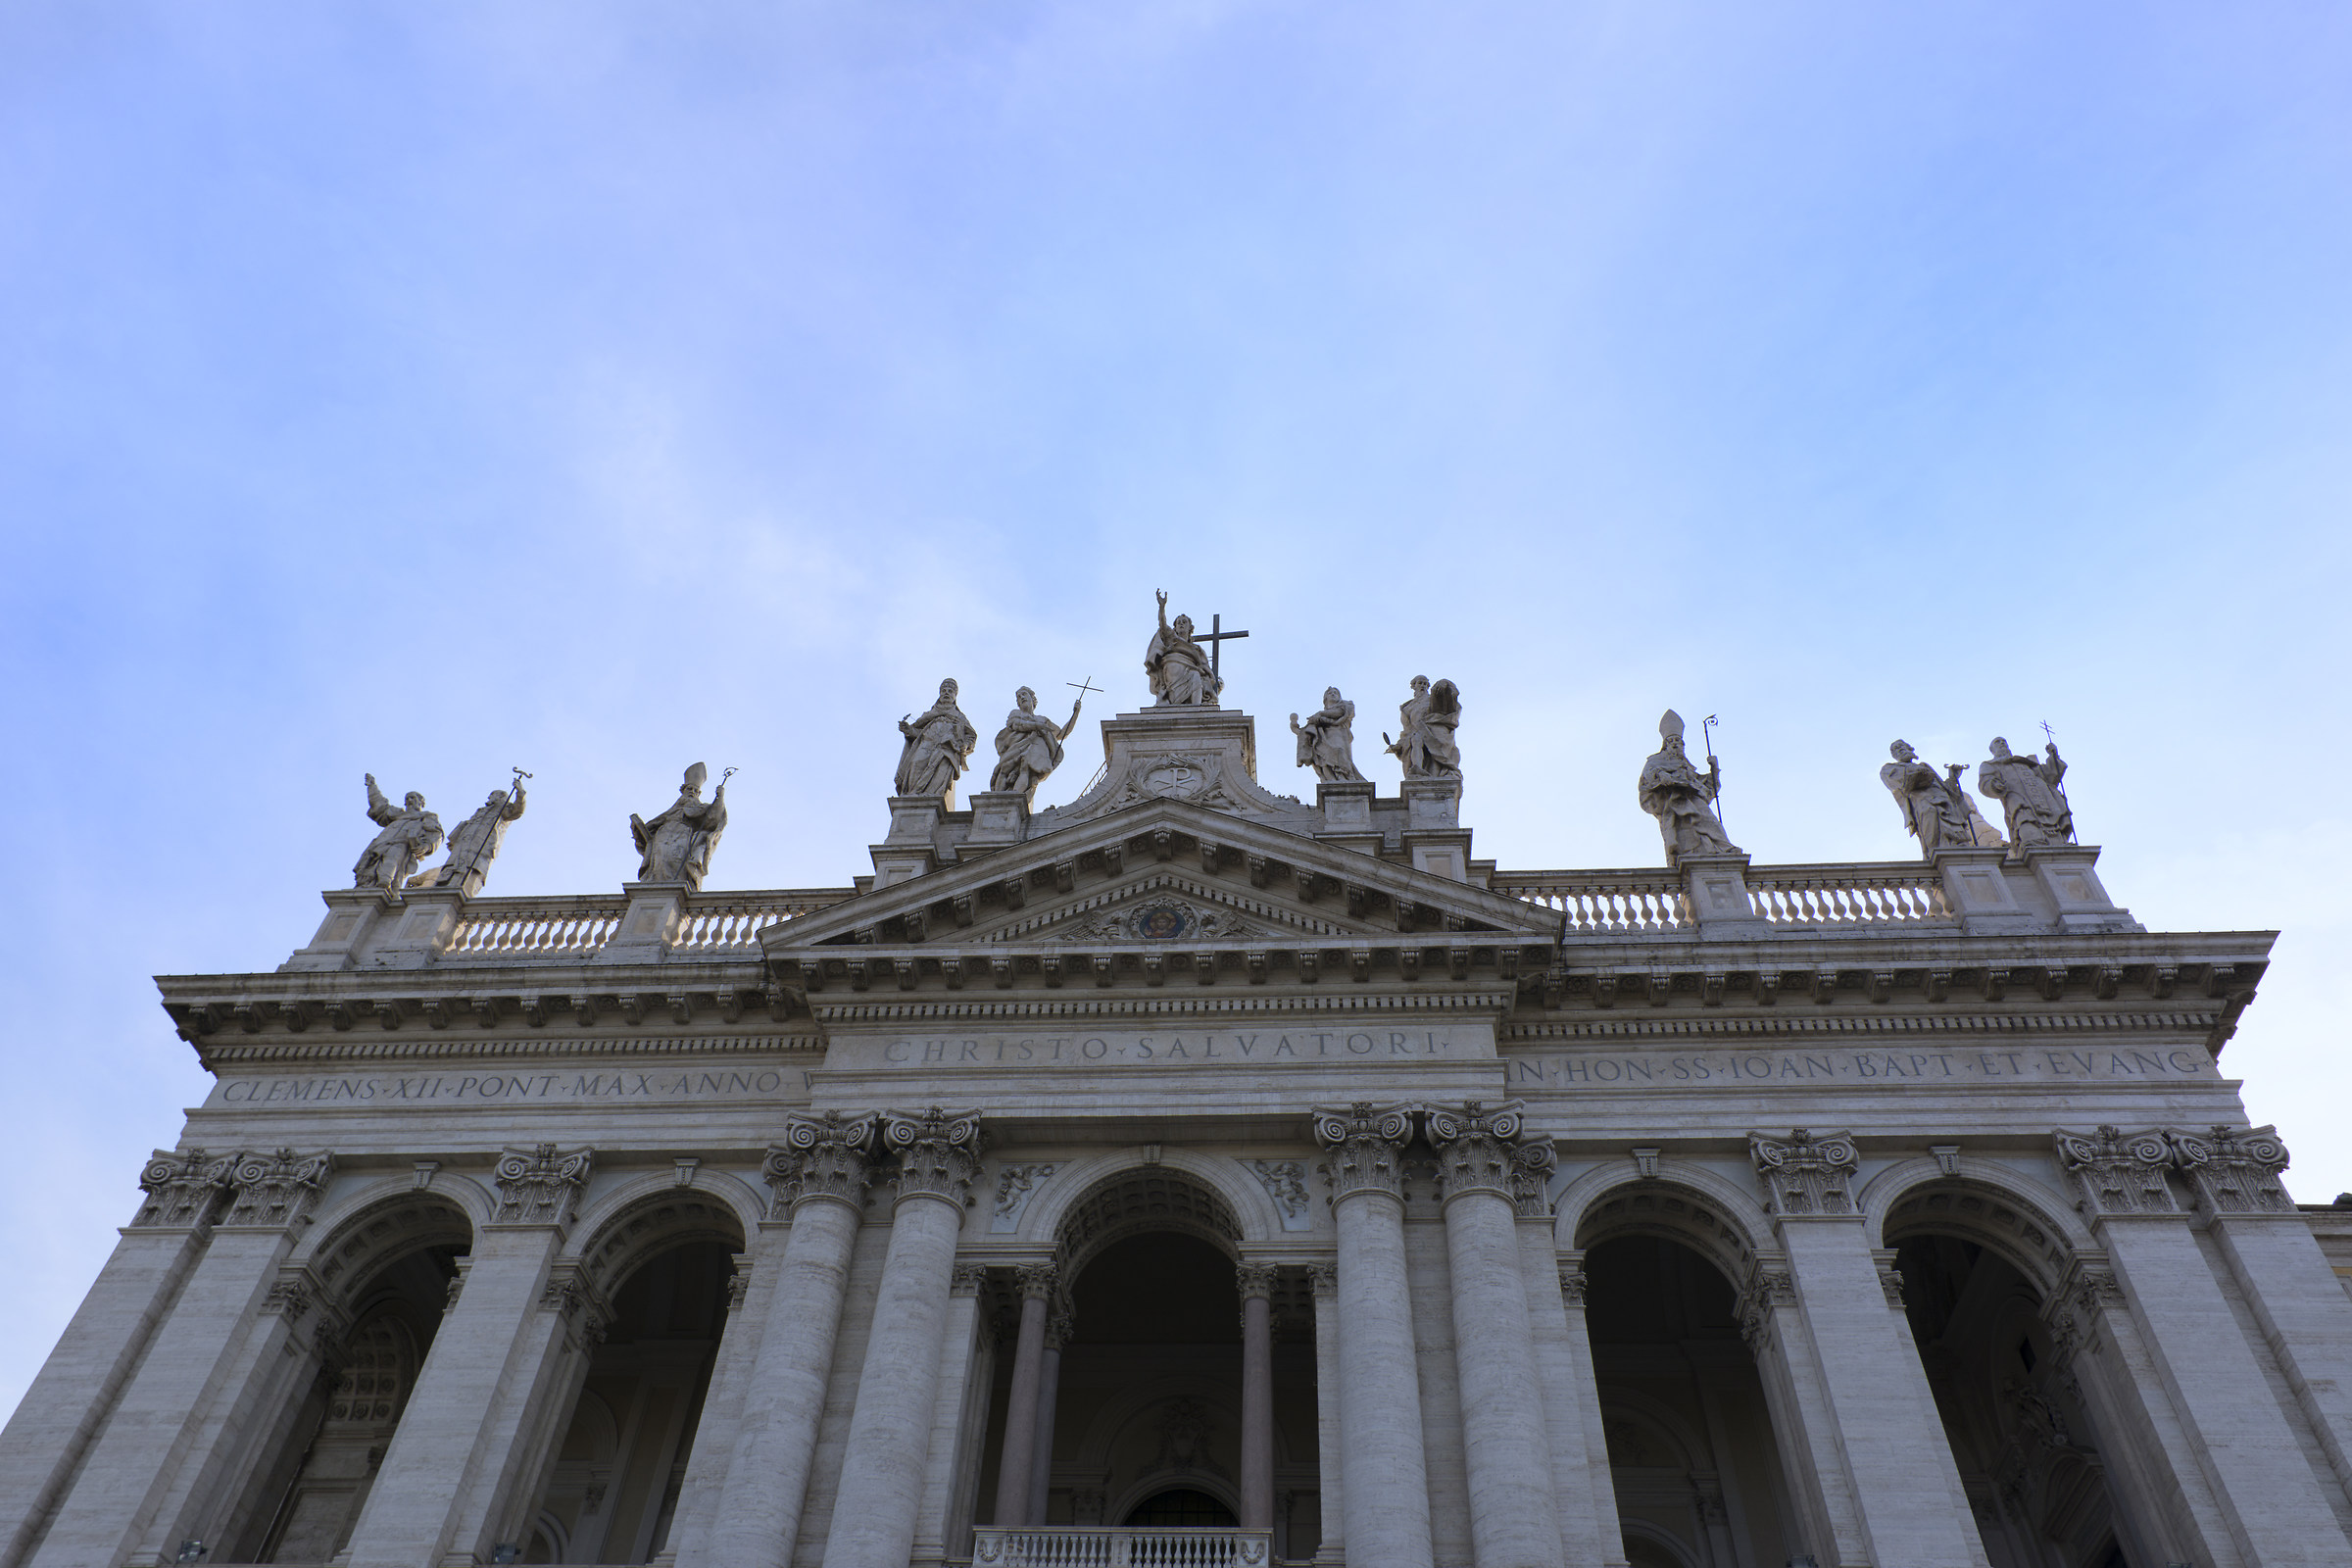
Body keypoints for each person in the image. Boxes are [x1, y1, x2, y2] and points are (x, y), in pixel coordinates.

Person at [1638, 710, 1739, 864]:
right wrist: (1662, 776)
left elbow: (1707, 789)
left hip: (1692, 798)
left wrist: (1714, 769)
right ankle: (1687, 859)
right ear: (1665, 745)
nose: (1676, 744)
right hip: (1673, 802)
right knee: (1684, 834)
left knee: (1709, 820)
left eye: (1679, 741)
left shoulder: (1687, 767)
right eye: (1672, 741)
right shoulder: (1655, 761)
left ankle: (1725, 849)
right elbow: (1648, 777)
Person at [1881, 740, 2001, 858]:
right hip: (1925, 805)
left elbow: (1945, 789)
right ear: (1894, 755)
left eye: (1902, 746)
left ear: (1910, 748)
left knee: (1958, 837)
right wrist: (1919, 775)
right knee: (1934, 841)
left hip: (1947, 805)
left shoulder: (1924, 766)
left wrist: (1953, 777)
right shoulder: (1888, 769)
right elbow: (1903, 784)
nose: (1900, 749)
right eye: (1896, 749)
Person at [632, 762, 727, 889]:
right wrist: (638, 827)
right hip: (662, 837)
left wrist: (720, 798)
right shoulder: (671, 812)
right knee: (659, 863)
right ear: (682, 790)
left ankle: (675, 888)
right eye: (690, 789)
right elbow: (650, 828)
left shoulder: (701, 808)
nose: (692, 792)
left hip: (683, 836)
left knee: (676, 862)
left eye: (696, 791)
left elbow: (713, 818)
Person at [424, 783, 528, 895]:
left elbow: (518, 811)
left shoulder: (504, 809)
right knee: (452, 868)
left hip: (482, 847)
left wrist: (520, 792)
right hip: (463, 845)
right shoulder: (481, 810)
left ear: (501, 796)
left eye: (492, 795)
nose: (489, 798)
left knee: (472, 871)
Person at [989, 686, 1084, 800]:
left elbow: (1062, 734)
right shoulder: (1016, 713)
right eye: (1019, 697)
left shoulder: (1043, 720)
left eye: (1024, 694)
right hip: (1016, 749)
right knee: (1004, 769)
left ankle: (1015, 797)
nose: (1021, 698)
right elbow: (1017, 725)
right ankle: (998, 799)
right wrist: (1036, 726)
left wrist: (1075, 714)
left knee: (1027, 772)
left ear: (1032, 699)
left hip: (1035, 751)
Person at [1978, 736, 2073, 848]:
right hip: (2017, 798)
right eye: (1997, 742)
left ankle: (2060, 843)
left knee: (2052, 822)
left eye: (2004, 741)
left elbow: (2048, 775)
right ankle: (2033, 842)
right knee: (2024, 820)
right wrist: (1994, 784)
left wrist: (2053, 756)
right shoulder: (1989, 765)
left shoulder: (2024, 763)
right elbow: (1985, 781)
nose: (2002, 743)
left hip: (2043, 798)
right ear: (1992, 750)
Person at [353, 775, 442, 891]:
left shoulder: (427, 817)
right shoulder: (398, 814)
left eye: (413, 798)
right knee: (367, 873)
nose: (409, 801)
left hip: (401, 845)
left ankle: (385, 890)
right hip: (380, 844)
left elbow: (435, 833)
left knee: (386, 876)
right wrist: (372, 787)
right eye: (407, 799)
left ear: (421, 802)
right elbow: (380, 805)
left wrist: (426, 846)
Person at [895, 679, 979, 799]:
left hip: (947, 749)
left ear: (955, 696)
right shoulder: (929, 714)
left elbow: (971, 736)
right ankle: (911, 796)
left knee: (939, 774)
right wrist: (909, 730)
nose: (946, 693)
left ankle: (930, 798)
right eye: (943, 691)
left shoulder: (960, 717)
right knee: (915, 765)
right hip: (926, 745)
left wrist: (965, 745)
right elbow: (918, 733)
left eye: (950, 691)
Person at [1145, 590, 1221, 706]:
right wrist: (1162, 607)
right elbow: (1162, 624)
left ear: (1190, 628)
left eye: (1184, 622)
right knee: (1194, 675)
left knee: (1196, 676)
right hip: (1171, 670)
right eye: (1178, 622)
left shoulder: (1197, 649)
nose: (1181, 624)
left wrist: (1207, 674)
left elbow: (1205, 667)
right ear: (1174, 627)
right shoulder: (1171, 638)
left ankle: (1196, 711)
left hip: (1191, 672)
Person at [1387, 675, 1462, 779]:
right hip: (1417, 731)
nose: (1423, 686)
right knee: (1415, 739)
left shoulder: (1433, 698)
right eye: (1420, 683)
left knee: (1435, 765)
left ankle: (1436, 774)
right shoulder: (1406, 707)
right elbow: (1407, 730)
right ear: (1413, 686)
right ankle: (1417, 769)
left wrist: (1444, 683)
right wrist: (1399, 745)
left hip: (1434, 731)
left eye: (1425, 683)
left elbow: (1451, 698)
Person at [1290, 687, 1366, 782]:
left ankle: (1345, 777)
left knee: (1339, 752)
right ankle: (1333, 780)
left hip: (1340, 736)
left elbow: (1339, 713)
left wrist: (1320, 715)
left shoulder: (1345, 706)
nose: (1333, 694)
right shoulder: (1316, 720)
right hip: (1324, 739)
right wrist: (1293, 725)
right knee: (1323, 760)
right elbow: (1304, 733)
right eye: (1330, 693)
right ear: (1325, 699)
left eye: (1336, 693)